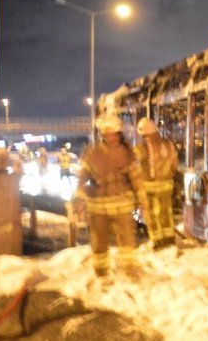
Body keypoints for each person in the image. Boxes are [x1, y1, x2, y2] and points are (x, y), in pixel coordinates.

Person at [75, 114, 147, 277]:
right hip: (98, 208)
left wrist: (143, 202)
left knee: (127, 242)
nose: (111, 137)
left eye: (114, 133)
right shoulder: (93, 154)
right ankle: (101, 272)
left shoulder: (127, 154)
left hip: (122, 206)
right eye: (107, 134)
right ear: (102, 135)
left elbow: (137, 180)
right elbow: (82, 178)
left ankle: (128, 271)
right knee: (99, 244)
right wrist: (78, 199)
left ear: (119, 134)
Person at [134, 117, 180, 249]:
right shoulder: (168, 144)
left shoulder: (142, 148)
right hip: (166, 186)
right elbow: (175, 165)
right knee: (166, 213)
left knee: (152, 215)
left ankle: (157, 240)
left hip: (150, 187)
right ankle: (169, 239)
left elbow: (131, 165)